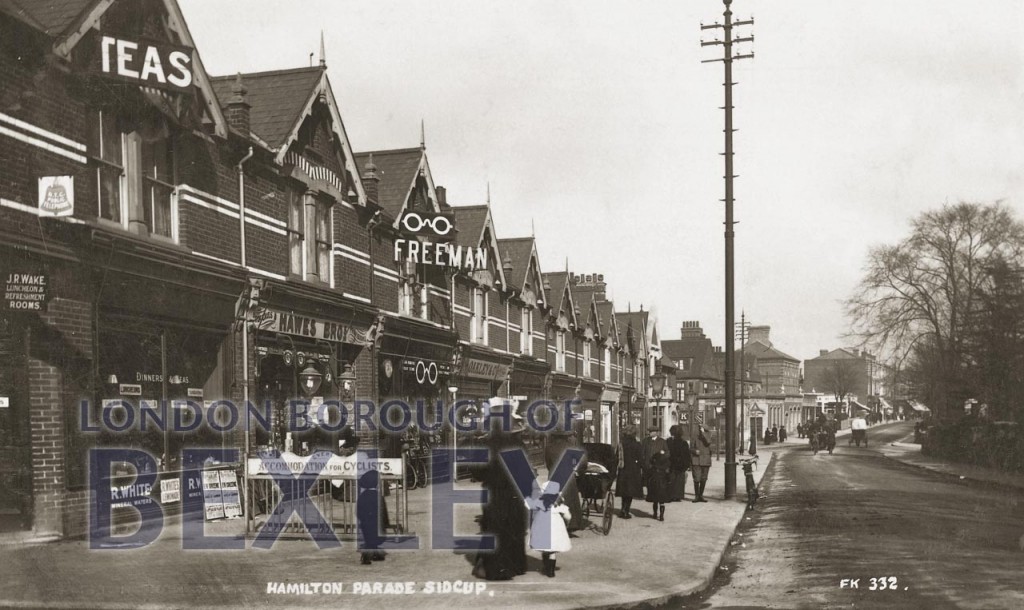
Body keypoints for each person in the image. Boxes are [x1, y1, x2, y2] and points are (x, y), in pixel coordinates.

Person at [472, 412, 528, 581]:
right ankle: (517, 565)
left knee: (495, 529)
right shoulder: (519, 444)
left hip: (494, 494)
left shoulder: (486, 445)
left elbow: (477, 472)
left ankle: (497, 569)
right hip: (514, 493)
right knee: (515, 528)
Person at [526, 480, 571, 577]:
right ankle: (551, 571)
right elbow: (568, 516)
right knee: (552, 551)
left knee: (545, 548)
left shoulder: (540, 502)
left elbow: (529, 505)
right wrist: (567, 521)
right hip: (556, 527)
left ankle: (546, 566)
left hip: (542, 526)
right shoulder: (559, 504)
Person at [544, 429, 585, 532]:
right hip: (568, 476)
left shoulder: (549, 447)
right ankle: (571, 524)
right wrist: (579, 471)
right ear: (566, 436)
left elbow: (548, 463)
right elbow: (582, 463)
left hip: (553, 476)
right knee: (570, 499)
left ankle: (554, 524)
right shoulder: (571, 447)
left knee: (554, 500)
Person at [615, 426, 643, 519]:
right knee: (630, 492)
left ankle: (622, 509)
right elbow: (640, 458)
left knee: (624, 491)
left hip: (623, 469)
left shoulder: (621, 443)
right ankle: (626, 510)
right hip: (633, 470)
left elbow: (616, 456)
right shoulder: (637, 444)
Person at [640, 425, 668, 496]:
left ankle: (655, 493)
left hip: (657, 465)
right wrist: (643, 462)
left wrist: (663, 454)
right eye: (649, 431)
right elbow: (642, 452)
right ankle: (649, 493)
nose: (650, 433)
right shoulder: (645, 441)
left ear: (656, 433)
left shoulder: (662, 441)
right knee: (648, 479)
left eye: (652, 432)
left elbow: (667, 452)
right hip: (647, 464)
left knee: (656, 480)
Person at [666, 425, 691, 501]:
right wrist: (687, 465)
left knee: (671, 480)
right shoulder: (683, 443)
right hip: (680, 465)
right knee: (679, 481)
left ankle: (671, 495)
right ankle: (678, 496)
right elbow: (687, 455)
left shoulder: (668, 441)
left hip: (671, 464)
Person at [646, 447, 671, 521]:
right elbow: (668, 476)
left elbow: (648, 475)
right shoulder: (666, 466)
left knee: (655, 501)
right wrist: (669, 481)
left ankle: (655, 513)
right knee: (662, 502)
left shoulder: (653, 467)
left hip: (654, 483)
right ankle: (661, 516)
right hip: (663, 484)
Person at [690, 426, 712, 503]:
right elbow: (691, 448)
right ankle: (696, 496)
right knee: (696, 478)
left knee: (704, 479)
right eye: (700, 429)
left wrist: (704, 433)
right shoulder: (695, 437)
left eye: (702, 429)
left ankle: (701, 495)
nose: (700, 430)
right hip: (696, 460)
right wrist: (694, 451)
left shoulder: (708, 435)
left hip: (705, 461)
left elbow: (708, 442)